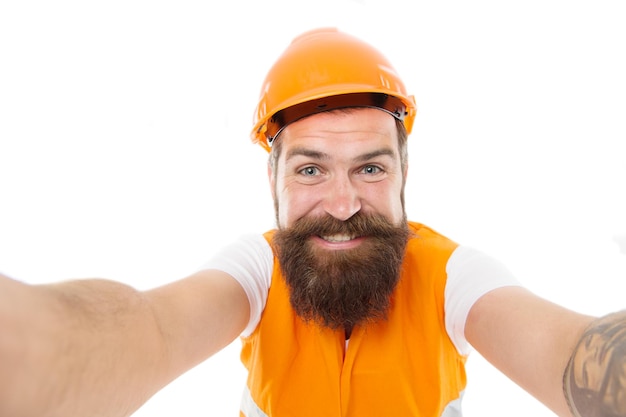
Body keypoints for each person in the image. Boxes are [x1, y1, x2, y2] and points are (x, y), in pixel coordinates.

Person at [0, 27, 624, 417]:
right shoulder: (255, 270)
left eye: (371, 170)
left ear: (405, 177)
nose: (343, 202)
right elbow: (152, 329)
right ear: (271, 182)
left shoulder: (452, 276)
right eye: (310, 171)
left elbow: (571, 352)